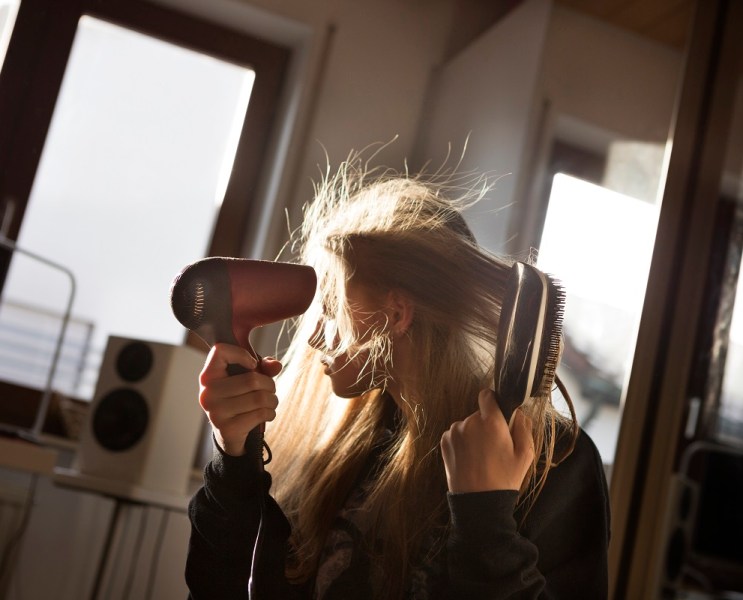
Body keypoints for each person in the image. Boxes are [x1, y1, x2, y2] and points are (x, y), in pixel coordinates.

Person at [185, 156, 611, 599]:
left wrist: (486, 518)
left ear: (396, 313)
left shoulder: (554, 462)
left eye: (329, 308)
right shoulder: (341, 453)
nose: (313, 338)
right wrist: (234, 461)